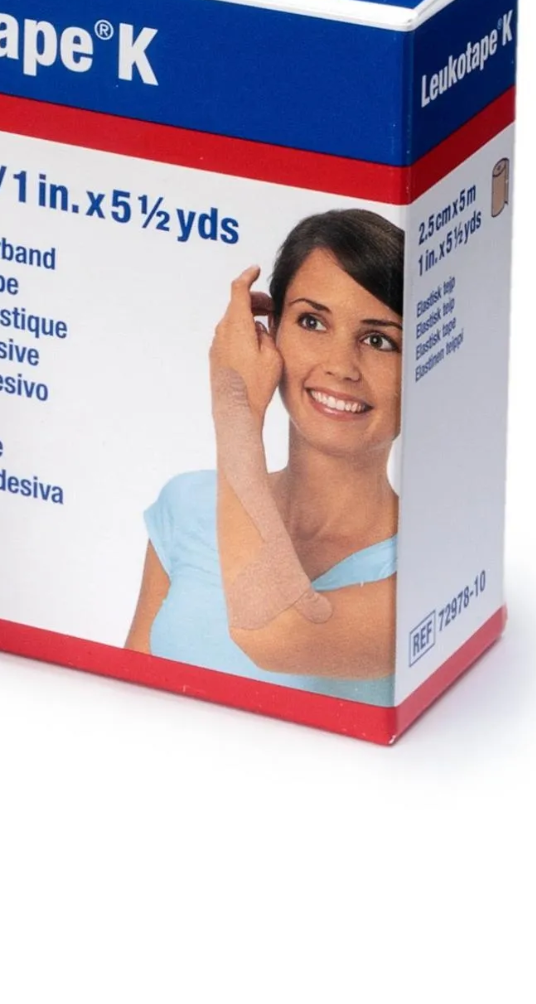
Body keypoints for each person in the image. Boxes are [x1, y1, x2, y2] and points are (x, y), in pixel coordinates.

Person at [124, 209, 405, 702]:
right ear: (270, 332)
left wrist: (235, 408)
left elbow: (273, 630)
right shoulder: (188, 506)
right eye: (312, 321)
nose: (340, 366)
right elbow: (127, 702)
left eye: (379, 339)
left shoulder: (427, 567)